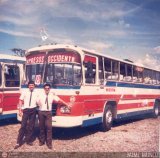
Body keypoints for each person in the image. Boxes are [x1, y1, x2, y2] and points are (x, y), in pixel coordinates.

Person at [37, 83, 69, 149]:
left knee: (49, 128)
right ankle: (42, 141)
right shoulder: (40, 95)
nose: (47, 89)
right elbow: (37, 101)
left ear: (49, 89)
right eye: (45, 88)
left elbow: (59, 100)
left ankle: (49, 144)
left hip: (48, 113)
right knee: (41, 127)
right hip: (41, 112)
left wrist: (67, 104)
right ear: (44, 89)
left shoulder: (52, 95)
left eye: (48, 88)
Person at [14, 81, 38, 149]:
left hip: (33, 110)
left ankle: (28, 140)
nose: (31, 86)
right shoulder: (24, 92)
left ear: (34, 86)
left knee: (31, 126)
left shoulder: (37, 93)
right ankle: (18, 142)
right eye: (30, 85)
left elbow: (40, 99)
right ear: (28, 86)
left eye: (32, 85)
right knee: (23, 126)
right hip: (26, 110)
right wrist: (20, 110)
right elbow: (20, 101)